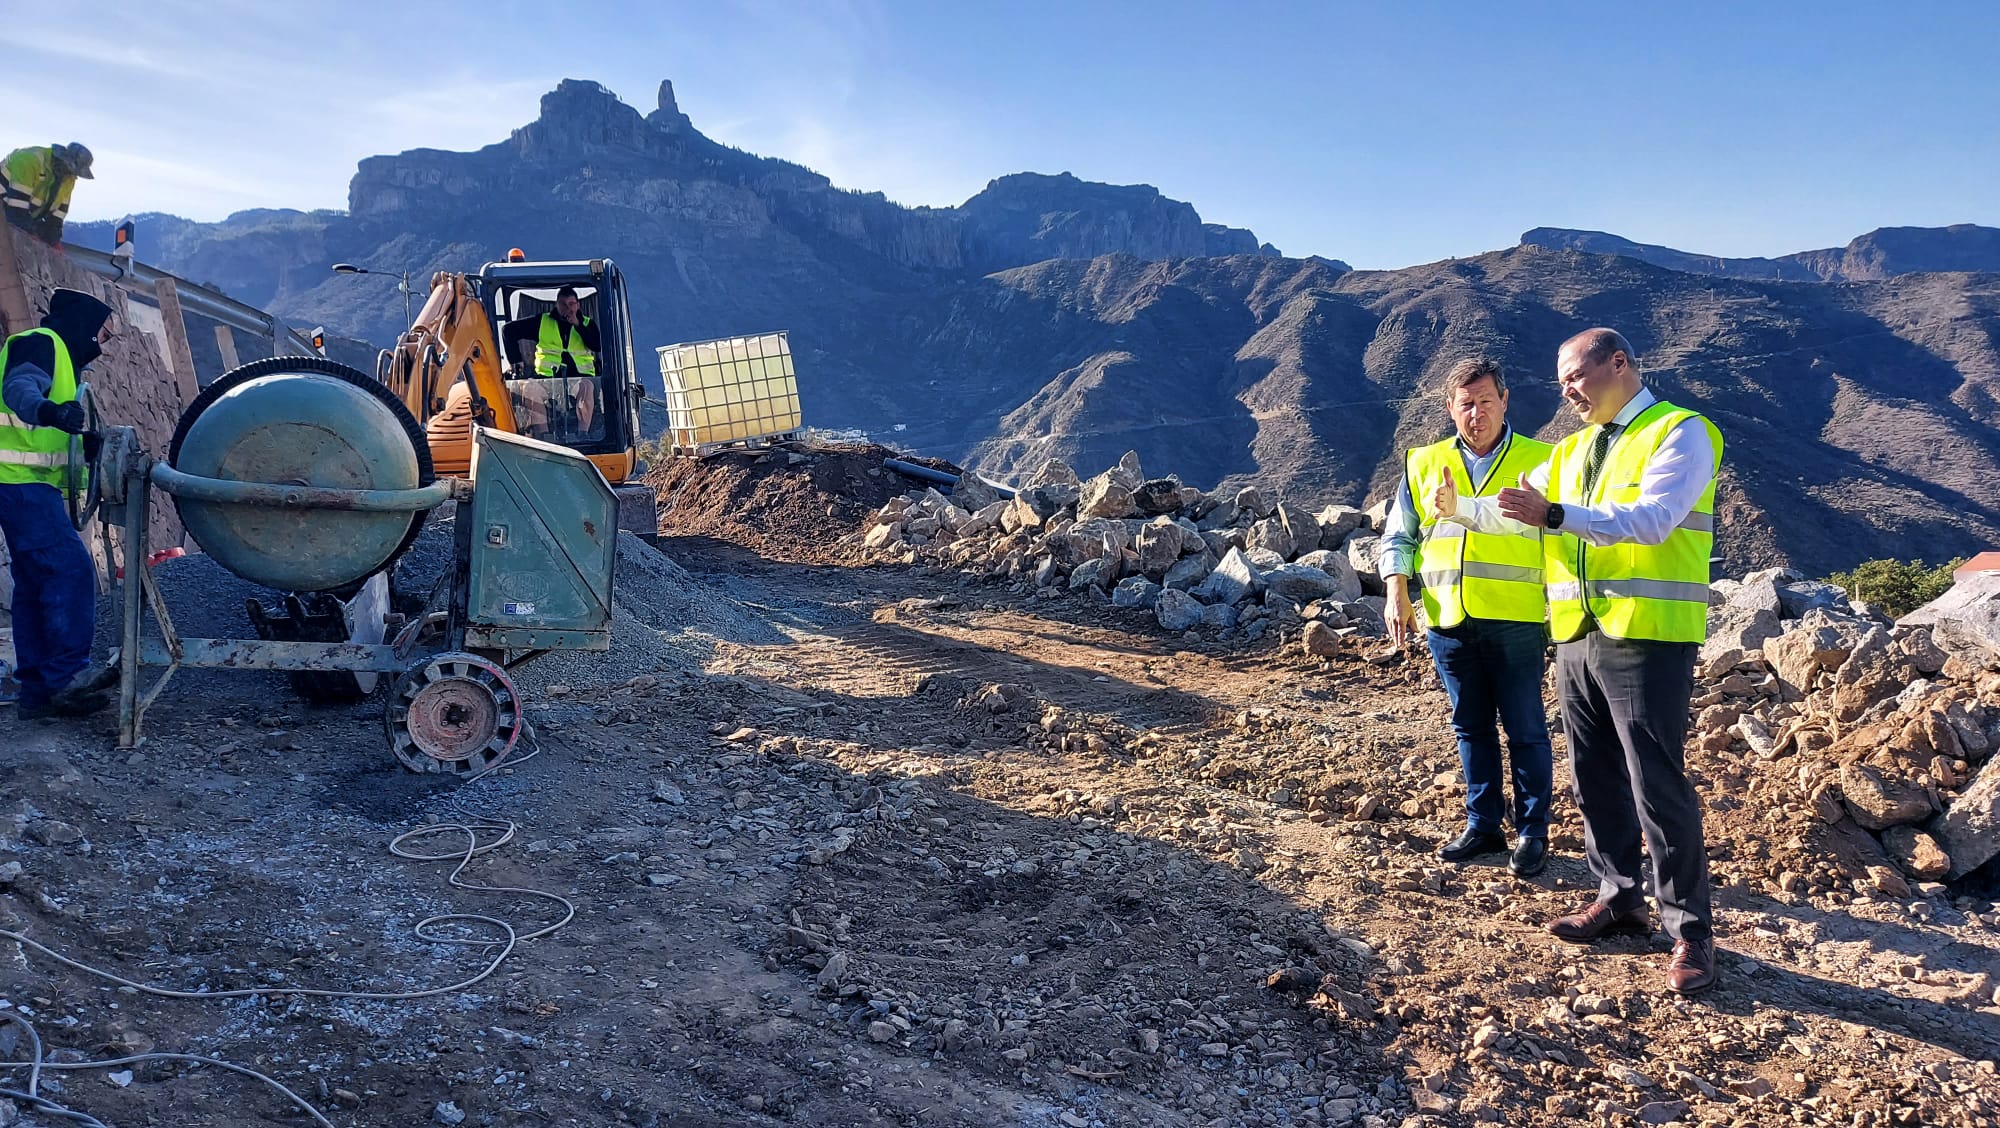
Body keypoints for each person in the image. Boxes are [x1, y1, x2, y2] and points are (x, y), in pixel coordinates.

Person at [1441, 327, 1723, 995]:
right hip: (1577, 634)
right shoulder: (1571, 449)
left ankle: (1690, 932)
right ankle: (1619, 896)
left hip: (1646, 634)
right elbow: (1519, 514)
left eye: (1578, 375)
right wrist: (1466, 511)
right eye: (1562, 381)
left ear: (1620, 363)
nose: (1569, 389)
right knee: (1594, 775)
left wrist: (1559, 515)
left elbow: (1654, 520)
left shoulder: (1681, 432)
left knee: (1656, 782)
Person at [1381, 357, 1555, 877]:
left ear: (1505, 400)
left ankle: (1531, 832)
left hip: (1517, 617)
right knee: (1470, 725)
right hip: (1447, 618)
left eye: (1485, 401)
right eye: (1465, 404)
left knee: (1525, 727)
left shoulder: (1542, 460)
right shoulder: (1423, 461)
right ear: (1449, 408)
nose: (1475, 413)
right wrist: (1397, 592)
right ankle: (1483, 826)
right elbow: (1400, 534)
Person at [1, 288, 118, 719]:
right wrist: (49, 412)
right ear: (83, 325)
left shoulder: (62, 359)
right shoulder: (41, 343)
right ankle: (67, 677)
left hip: (23, 486)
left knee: (33, 587)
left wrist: (80, 443)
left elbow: (43, 436)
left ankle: (37, 692)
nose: (102, 345)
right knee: (69, 569)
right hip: (20, 485)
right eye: (102, 334)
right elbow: (19, 388)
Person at [2, 144, 94, 245]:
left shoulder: (69, 179)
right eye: (71, 170)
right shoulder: (30, 161)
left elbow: (57, 219)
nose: (72, 175)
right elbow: (16, 211)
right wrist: (32, 236)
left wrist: (52, 240)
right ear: (63, 159)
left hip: (22, 215)